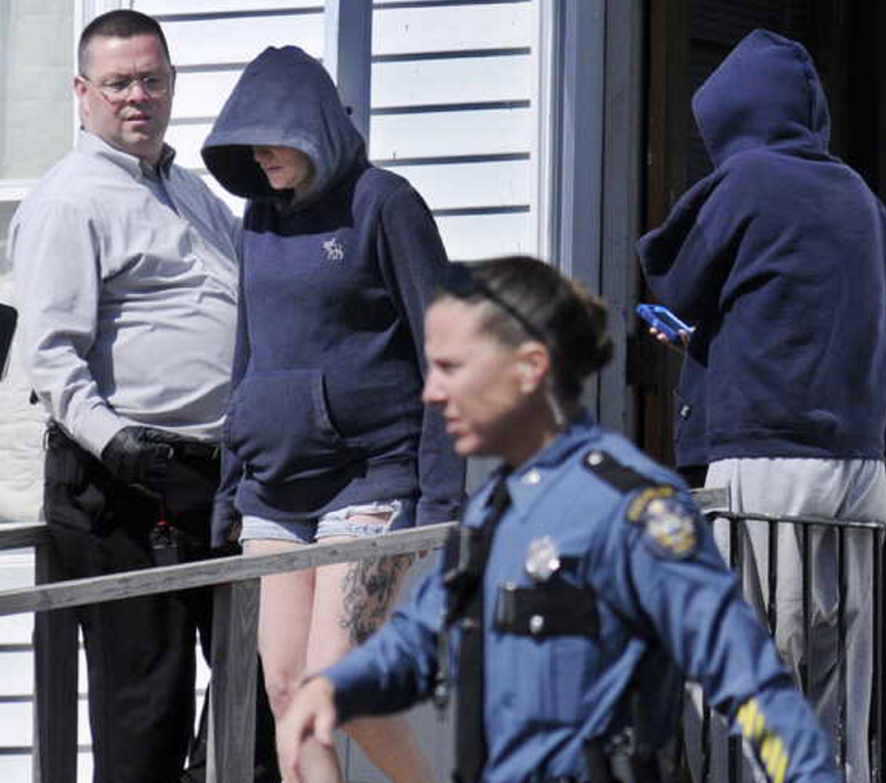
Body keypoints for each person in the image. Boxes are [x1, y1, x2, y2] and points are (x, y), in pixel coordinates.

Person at [275, 256, 841, 783]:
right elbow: (416, 643)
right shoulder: (492, 513)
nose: (431, 392)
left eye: (450, 367)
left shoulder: (632, 509)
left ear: (530, 367)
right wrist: (330, 689)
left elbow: (748, 685)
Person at [9, 11, 278, 783]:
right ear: (82, 92)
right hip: (123, 486)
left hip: (220, 480)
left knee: (258, 685)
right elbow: (52, 356)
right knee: (143, 716)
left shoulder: (189, 188)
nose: (138, 96)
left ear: (171, 85)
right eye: (119, 82)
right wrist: (119, 441)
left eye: (152, 80)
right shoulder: (71, 198)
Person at [637, 29, 886, 783]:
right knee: (835, 671)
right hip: (857, 464)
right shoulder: (861, 195)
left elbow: (670, 281)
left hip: (765, 453)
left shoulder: (746, 180)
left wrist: (690, 339)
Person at [200, 46, 465, 782]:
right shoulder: (256, 218)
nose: (259, 155)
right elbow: (247, 356)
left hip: (369, 482)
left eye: (272, 137)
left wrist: (440, 498)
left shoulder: (385, 204)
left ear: (312, 126)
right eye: (245, 142)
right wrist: (230, 484)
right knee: (287, 693)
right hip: (272, 492)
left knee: (334, 687)